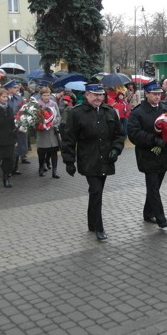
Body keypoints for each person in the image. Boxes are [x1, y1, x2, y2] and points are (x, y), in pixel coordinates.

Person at [61, 83, 126, 241]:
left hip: (106, 159)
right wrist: (69, 161)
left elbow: (119, 134)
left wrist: (116, 149)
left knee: (96, 192)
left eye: (101, 95)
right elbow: (68, 139)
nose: (98, 98)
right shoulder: (76, 113)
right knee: (96, 191)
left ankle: (91, 222)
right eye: (95, 95)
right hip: (88, 159)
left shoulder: (109, 111)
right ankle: (99, 227)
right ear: (87, 94)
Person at [127, 80, 167, 228]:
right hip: (147, 156)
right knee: (153, 188)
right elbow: (134, 134)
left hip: (164, 154)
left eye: (159, 94)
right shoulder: (137, 113)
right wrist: (154, 140)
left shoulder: (165, 109)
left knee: (155, 187)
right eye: (154, 94)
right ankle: (161, 218)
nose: (157, 97)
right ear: (146, 94)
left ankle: (148, 213)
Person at [36, 87, 62, 178]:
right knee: (42, 153)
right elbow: (35, 119)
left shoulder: (53, 104)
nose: (47, 97)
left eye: (48, 95)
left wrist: (52, 123)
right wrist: (42, 123)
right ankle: (41, 167)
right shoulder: (37, 105)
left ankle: (54, 171)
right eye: (44, 95)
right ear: (41, 96)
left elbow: (58, 116)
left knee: (54, 152)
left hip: (52, 132)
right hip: (42, 133)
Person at [5, 80, 27, 175]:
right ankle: (8, 168)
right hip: (8, 127)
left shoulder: (19, 98)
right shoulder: (5, 99)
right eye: (14, 88)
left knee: (18, 148)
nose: (16, 89)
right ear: (8, 89)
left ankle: (15, 168)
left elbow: (23, 111)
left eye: (16, 87)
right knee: (10, 148)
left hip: (18, 126)